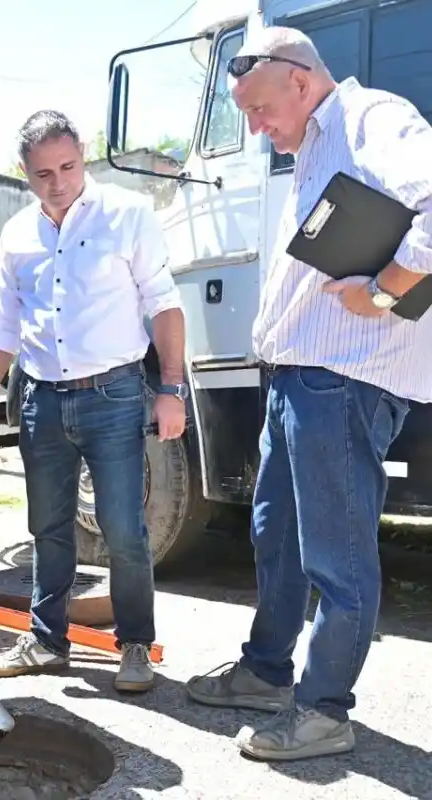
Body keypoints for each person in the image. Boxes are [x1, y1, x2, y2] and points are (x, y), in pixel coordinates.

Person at [185, 27, 432, 761]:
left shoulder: (372, 121)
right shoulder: (316, 146)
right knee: (277, 539)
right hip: (300, 376)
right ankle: (267, 672)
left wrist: (387, 293)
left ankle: (324, 713)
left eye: (258, 110)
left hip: (345, 379)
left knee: (337, 558)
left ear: (297, 79)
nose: (255, 129)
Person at [0, 110, 187, 694]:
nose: (58, 182)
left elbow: (164, 303)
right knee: (47, 526)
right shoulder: (18, 234)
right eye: (42, 173)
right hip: (39, 397)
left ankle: (135, 645)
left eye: (67, 166)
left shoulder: (127, 215)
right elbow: (4, 327)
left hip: (114, 395)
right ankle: (46, 642)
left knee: (122, 528)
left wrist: (171, 389)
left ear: (83, 155)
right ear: (24, 172)